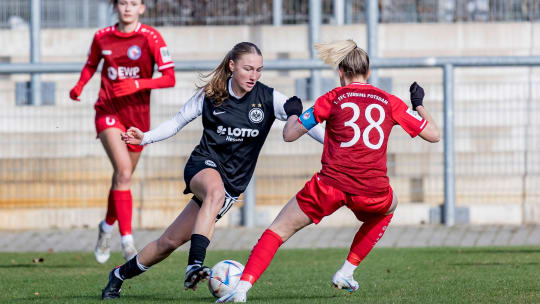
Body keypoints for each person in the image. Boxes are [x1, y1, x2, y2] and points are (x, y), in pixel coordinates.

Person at [217, 39, 440, 303]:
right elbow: (434, 135)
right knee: (389, 207)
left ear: (341, 73)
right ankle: (347, 271)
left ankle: (241, 290)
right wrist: (418, 103)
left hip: (329, 186)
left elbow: (290, 135)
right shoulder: (389, 101)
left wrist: (293, 113)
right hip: (372, 189)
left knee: (277, 231)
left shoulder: (333, 98)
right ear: (368, 73)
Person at [100, 41, 325, 300]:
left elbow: (307, 122)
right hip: (202, 166)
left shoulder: (269, 98)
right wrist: (146, 138)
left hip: (231, 186)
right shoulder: (211, 94)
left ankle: (117, 276)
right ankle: (195, 265)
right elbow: (176, 122)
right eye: (248, 69)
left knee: (168, 243)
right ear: (232, 66)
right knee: (214, 192)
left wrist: (336, 144)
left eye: (259, 70)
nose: (254, 76)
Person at [69, 0, 176, 264]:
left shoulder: (150, 37)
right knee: (124, 172)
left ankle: (105, 227)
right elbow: (91, 64)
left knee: (122, 178)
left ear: (142, 8)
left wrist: (138, 83)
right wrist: (80, 86)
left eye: (134, 3)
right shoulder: (102, 37)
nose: (128, 8)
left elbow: (169, 77)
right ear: (116, 7)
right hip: (108, 112)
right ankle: (127, 241)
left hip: (137, 119)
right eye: (123, 3)